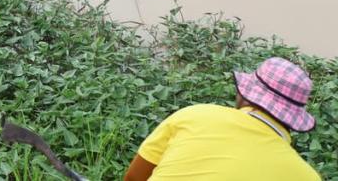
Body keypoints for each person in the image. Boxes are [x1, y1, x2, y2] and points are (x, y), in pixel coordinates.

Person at [124, 57, 321, 181]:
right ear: (295, 117)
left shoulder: (195, 115)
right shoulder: (307, 177)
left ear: (244, 93)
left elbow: (134, 178)